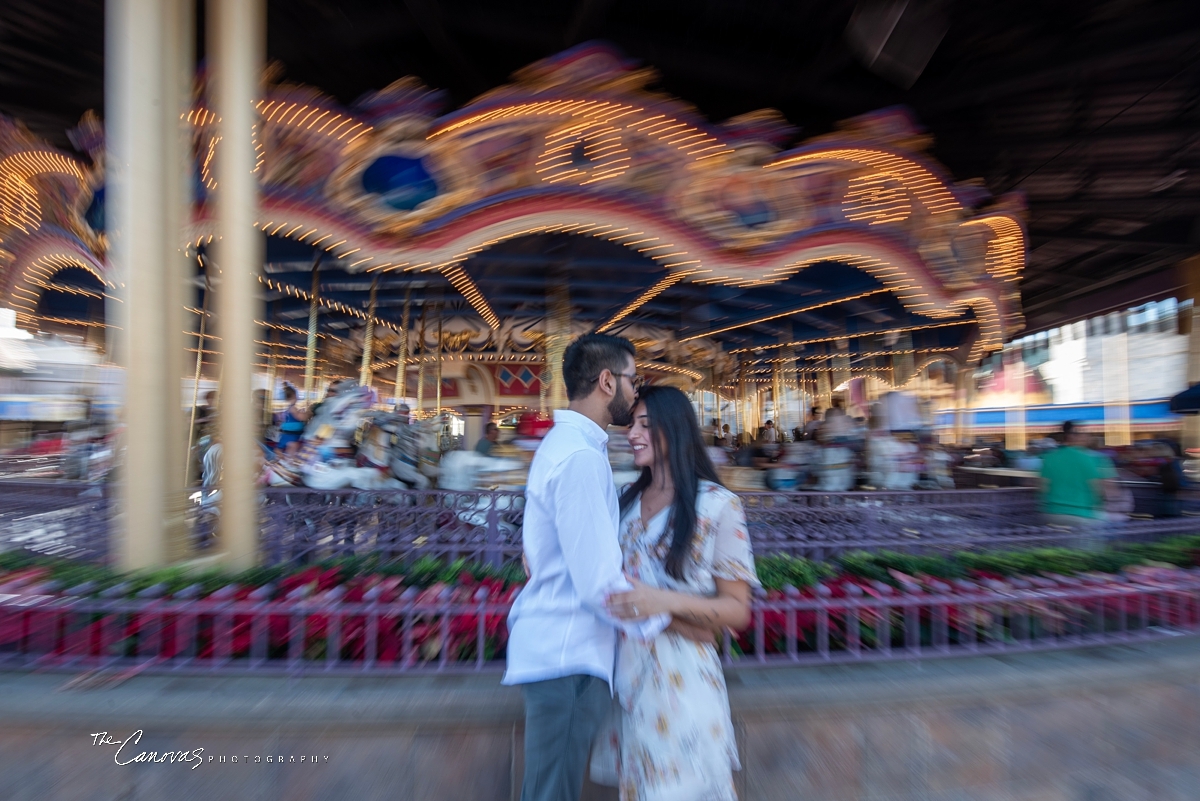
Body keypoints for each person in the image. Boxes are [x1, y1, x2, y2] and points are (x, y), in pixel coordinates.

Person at [505, 333, 669, 801]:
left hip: (566, 651)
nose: (635, 391)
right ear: (605, 381)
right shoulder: (579, 458)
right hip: (568, 656)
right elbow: (597, 577)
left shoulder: (574, 448)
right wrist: (663, 618)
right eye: (632, 380)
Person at [594, 385, 759, 800]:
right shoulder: (624, 502)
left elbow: (737, 611)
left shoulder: (718, 506)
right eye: (632, 424)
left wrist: (662, 603)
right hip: (627, 681)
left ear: (676, 429)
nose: (632, 433)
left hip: (682, 685)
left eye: (646, 425)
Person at [1039, 421, 1116, 530]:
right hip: (1083, 515)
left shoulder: (1049, 458)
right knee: (1115, 526)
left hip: (1052, 514)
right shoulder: (1091, 458)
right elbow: (1101, 489)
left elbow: (1043, 488)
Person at [275, 384, 308, 455]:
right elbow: (301, 417)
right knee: (293, 447)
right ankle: (286, 460)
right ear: (294, 396)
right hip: (291, 434)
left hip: (290, 433)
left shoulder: (289, 408)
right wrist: (308, 412)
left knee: (287, 447)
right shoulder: (293, 408)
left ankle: (283, 458)